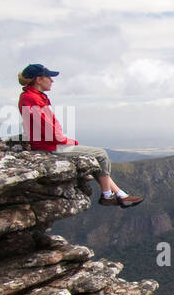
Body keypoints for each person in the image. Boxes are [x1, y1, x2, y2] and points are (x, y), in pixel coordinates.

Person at [17, 63, 143, 207]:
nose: (52, 80)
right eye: (49, 77)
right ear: (38, 79)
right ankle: (107, 196)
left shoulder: (33, 97)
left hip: (47, 143)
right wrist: (65, 140)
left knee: (95, 160)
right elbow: (47, 128)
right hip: (49, 146)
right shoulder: (32, 98)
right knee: (101, 154)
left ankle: (121, 195)